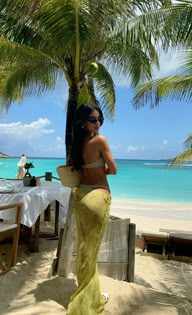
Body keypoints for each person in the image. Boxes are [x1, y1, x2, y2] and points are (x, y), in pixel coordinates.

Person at [67, 103, 117, 315]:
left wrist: (89, 167)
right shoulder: (100, 141)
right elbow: (112, 170)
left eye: (100, 120)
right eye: (93, 120)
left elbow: (73, 168)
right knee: (91, 252)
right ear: (83, 123)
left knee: (84, 250)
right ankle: (88, 303)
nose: (98, 123)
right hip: (98, 196)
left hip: (79, 197)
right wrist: (100, 168)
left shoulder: (76, 145)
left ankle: (91, 294)